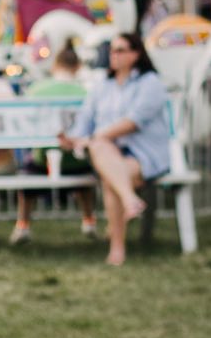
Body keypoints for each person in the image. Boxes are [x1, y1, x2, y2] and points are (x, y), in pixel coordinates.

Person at [59, 32, 170, 267]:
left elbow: (133, 122)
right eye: (112, 50)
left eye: (120, 50)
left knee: (110, 176)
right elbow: (84, 121)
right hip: (108, 154)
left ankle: (117, 247)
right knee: (106, 157)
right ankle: (130, 200)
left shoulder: (150, 83)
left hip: (143, 154)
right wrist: (72, 139)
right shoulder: (102, 86)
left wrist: (93, 138)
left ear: (135, 54)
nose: (113, 55)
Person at [9, 42, 97, 246]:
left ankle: (23, 224)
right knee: (85, 173)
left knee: (28, 171)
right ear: (77, 66)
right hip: (77, 161)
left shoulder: (37, 90)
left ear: (55, 65)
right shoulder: (86, 92)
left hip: (43, 160)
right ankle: (89, 220)